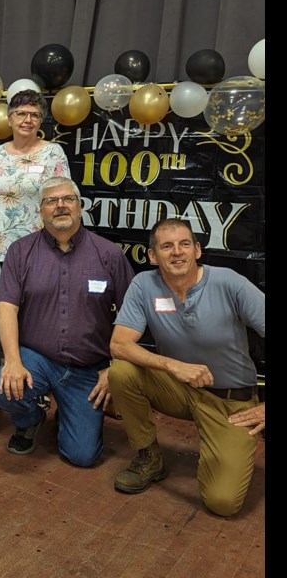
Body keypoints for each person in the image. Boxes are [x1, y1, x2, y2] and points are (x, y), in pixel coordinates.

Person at [109, 219, 265, 516]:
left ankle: (221, 448)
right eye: (166, 246)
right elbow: (119, 345)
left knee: (223, 502)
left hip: (231, 403)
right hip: (179, 389)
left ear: (197, 250)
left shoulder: (229, 282)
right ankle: (149, 457)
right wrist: (173, 366)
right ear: (153, 256)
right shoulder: (144, 284)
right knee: (121, 372)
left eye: (184, 244)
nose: (176, 253)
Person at [0, 177, 134, 467]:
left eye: (68, 199)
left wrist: (116, 367)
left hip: (88, 370)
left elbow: (133, 315)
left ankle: (68, 412)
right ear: (40, 211)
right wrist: (12, 360)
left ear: (80, 207)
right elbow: (6, 308)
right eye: (51, 201)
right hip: (37, 359)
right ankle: (31, 419)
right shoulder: (20, 251)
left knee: (82, 457)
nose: (60, 206)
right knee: (3, 388)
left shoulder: (109, 254)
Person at [0, 89, 70, 262]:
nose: (27, 120)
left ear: (40, 121)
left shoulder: (53, 153)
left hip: (38, 251)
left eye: (34, 115)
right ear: (9, 119)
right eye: (21, 114)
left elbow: (65, 201)